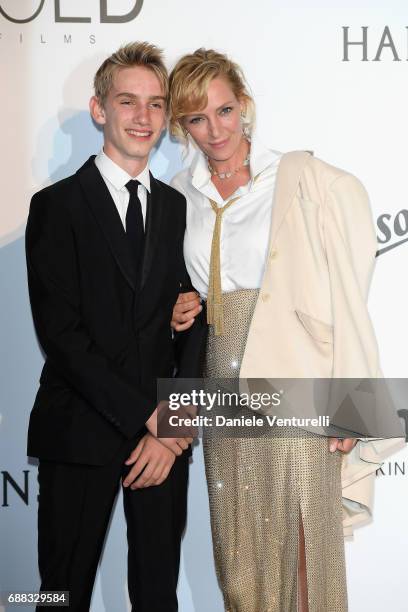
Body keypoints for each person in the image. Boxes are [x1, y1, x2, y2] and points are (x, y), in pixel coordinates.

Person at [169, 48, 403, 612]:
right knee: (240, 556)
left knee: (302, 545)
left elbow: (346, 299)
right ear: (181, 125)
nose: (214, 129)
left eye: (224, 111)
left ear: (243, 105)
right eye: (197, 118)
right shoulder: (179, 193)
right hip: (221, 381)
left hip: (296, 377)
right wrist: (178, 307)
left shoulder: (302, 179)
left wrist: (353, 402)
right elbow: (182, 290)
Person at [25, 42, 195, 612]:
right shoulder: (56, 207)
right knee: (59, 595)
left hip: (162, 443)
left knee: (156, 595)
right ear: (100, 110)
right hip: (80, 429)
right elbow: (62, 335)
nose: (143, 117)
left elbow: (193, 319)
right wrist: (146, 412)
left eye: (155, 104)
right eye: (128, 101)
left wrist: (170, 428)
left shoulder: (178, 209)